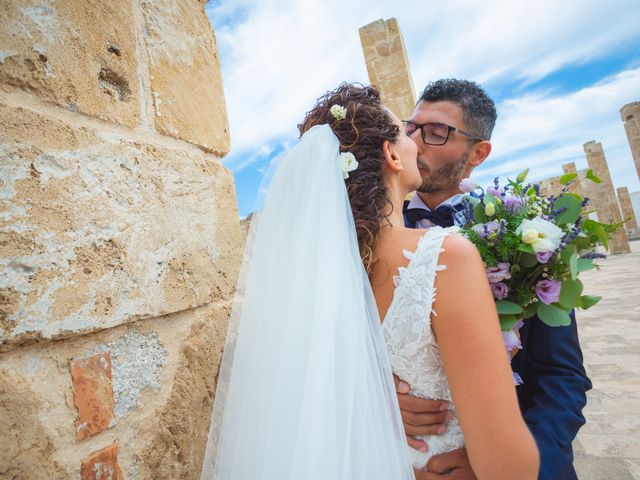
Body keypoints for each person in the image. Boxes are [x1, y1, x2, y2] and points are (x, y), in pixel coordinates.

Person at [200, 83, 539, 480]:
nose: (415, 140)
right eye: (404, 131)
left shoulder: (319, 278)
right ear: (391, 154)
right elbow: (510, 470)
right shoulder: (446, 257)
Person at [400, 78, 592, 480]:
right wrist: (384, 394)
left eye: (436, 133)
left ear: (479, 152)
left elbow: (561, 377)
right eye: (411, 128)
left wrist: (507, 466)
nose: (416, 143)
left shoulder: (527, 239)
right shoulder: (370, 235)